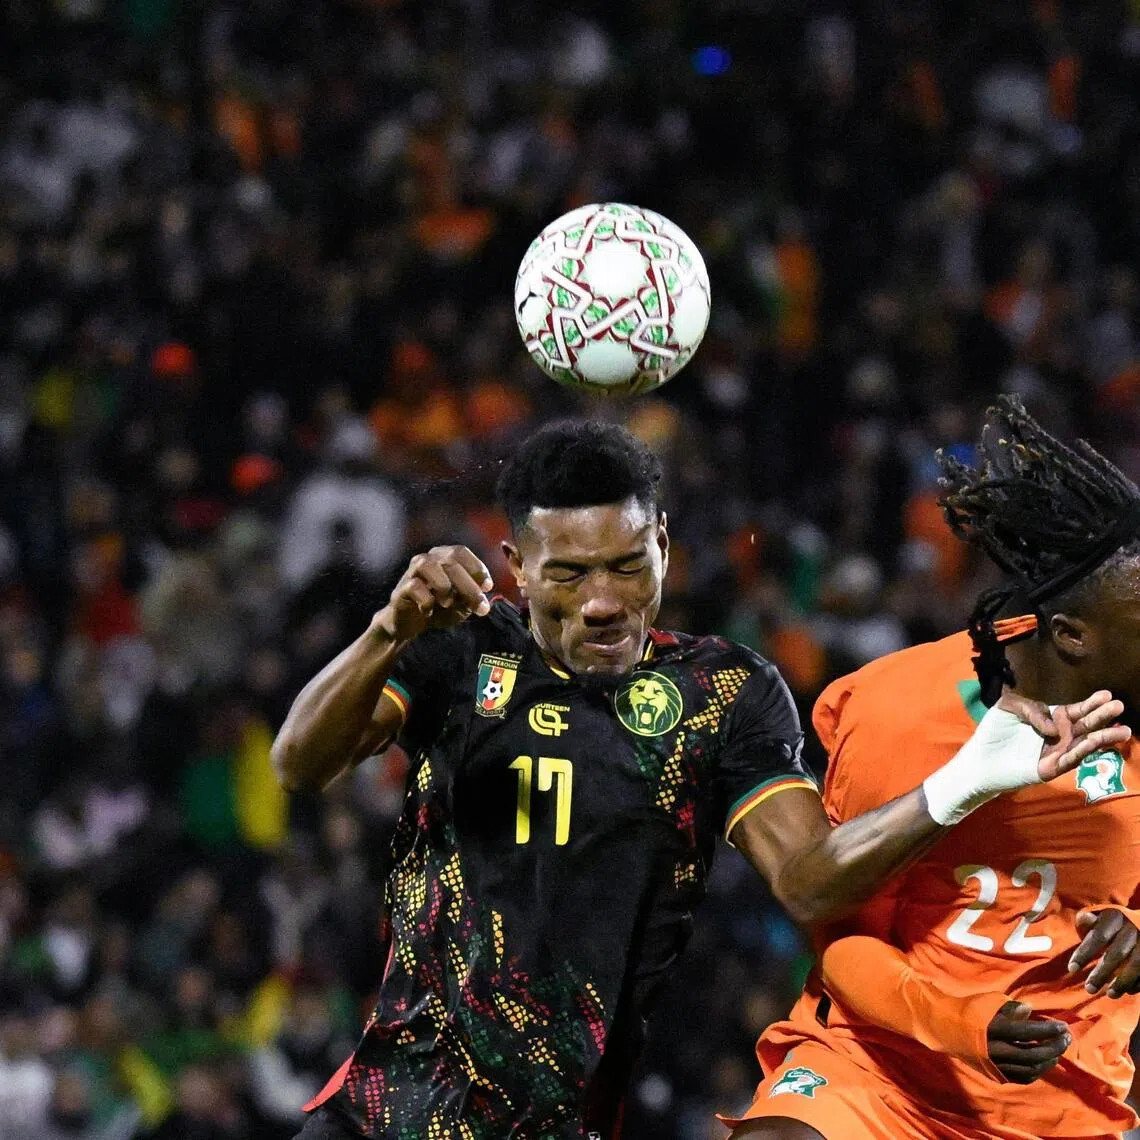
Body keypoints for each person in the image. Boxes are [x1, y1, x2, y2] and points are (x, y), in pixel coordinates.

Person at [271, 420, 1121, 1140]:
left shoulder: (724, 694)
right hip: (389, 1108)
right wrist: (387, 629)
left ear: (665, 547)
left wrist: (964, 781)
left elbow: (810, 883)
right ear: (516, 568)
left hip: (565, 1121)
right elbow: (301, 766)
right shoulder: (461, 649)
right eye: (567, 576)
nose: (603, 601)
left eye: (628, 565)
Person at [726, 396, 1140, 1140]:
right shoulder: (902, 710)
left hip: (1060, 1104)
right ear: (1074, 638)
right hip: (879, 1074)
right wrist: (959, 1021)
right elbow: (843, 935)